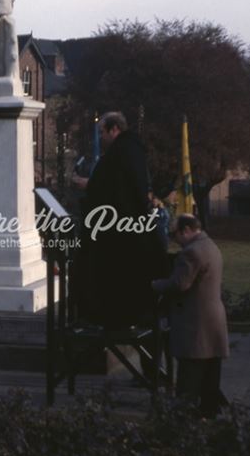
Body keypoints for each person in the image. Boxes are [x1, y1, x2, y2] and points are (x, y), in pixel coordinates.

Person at [75, 112, 167, 329]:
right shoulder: (131, 150)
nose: (101, 138)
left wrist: (86, 184)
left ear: (114, 129)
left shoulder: (121, 152)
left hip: (119, 232)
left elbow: (111, 189)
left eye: (102, 132)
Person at [151, 214, 229, 418]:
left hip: (195, 322)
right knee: (210, 372)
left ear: (186, 230)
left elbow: (179, 284)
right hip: (213, 319)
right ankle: (209, 412)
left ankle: (185, 419)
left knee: (189, 376)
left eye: (174, 234)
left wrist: (154, 285)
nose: (174, 239)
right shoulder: (210, 245)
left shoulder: (191, 253)